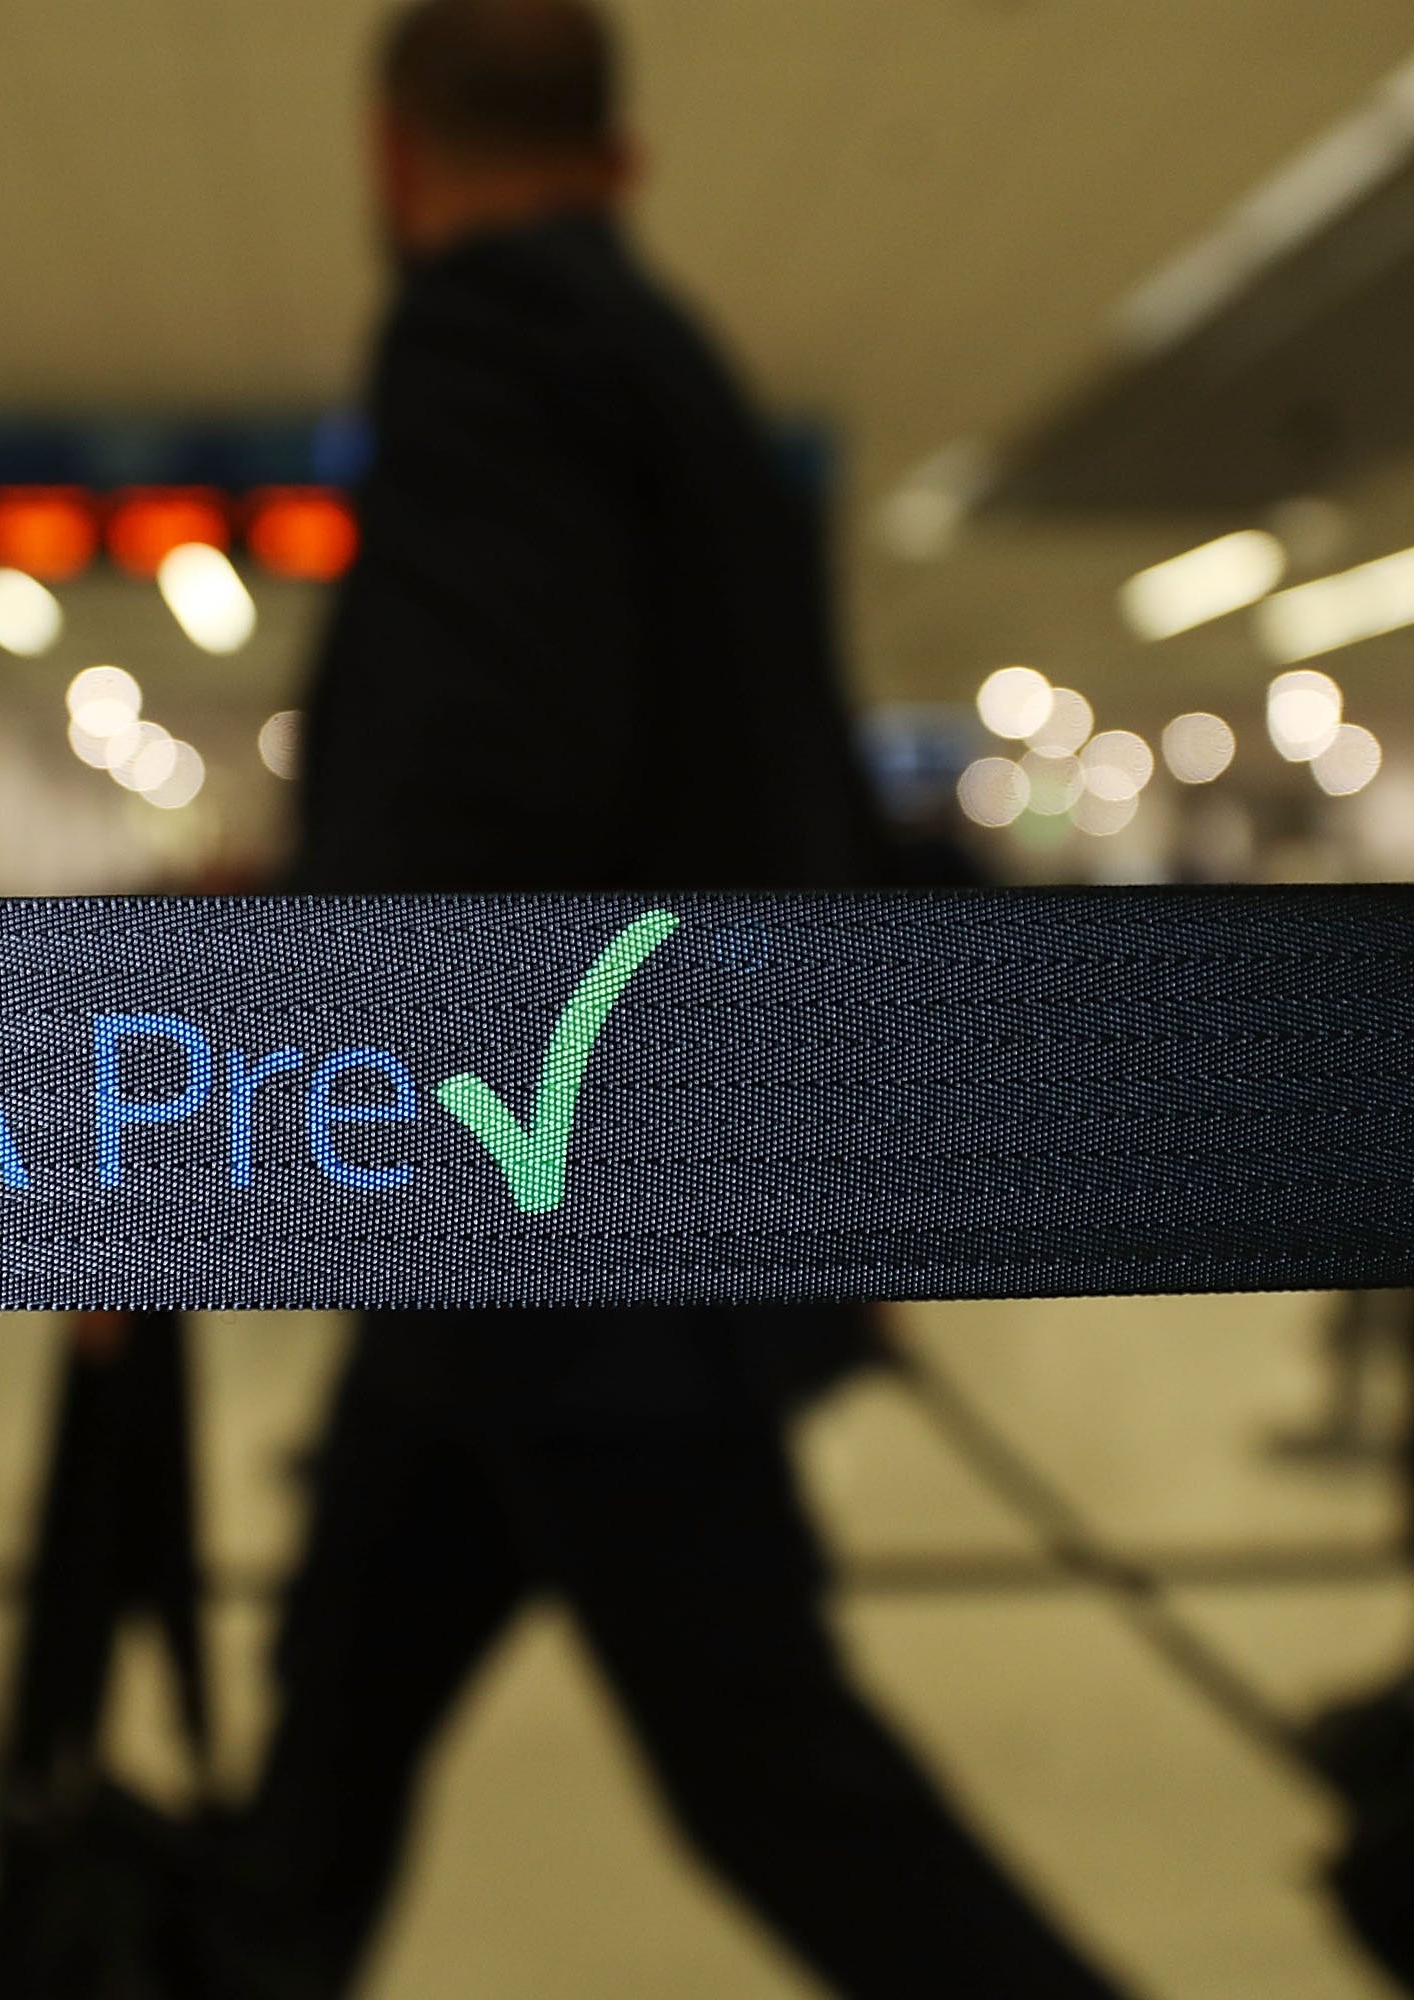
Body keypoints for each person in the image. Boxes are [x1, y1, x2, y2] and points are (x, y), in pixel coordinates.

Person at [209, 5, 1135, 1995]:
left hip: (570, 1255)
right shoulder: (683, 384)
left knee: (776, 1781)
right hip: (560, 1269)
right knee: (326, 1761)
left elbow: (470, 802)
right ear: (624, 163)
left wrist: (183, 1160)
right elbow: (775, 804)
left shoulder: (485, 344)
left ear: (392, 157)